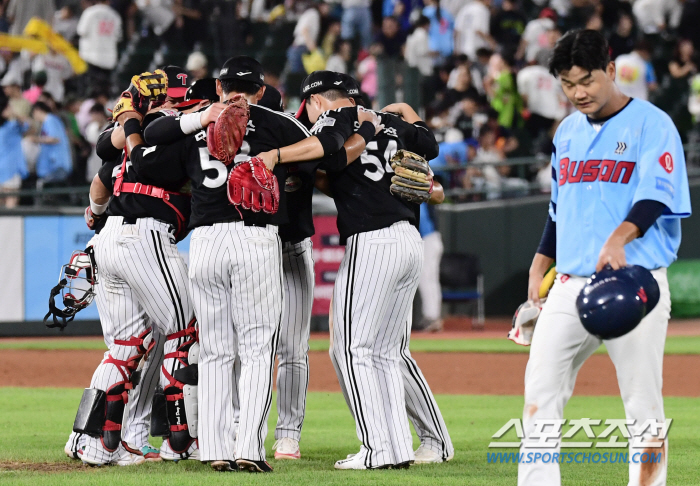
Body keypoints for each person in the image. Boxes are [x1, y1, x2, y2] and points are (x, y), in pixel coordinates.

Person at [144, 60, 377, 473]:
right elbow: (329, 151)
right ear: (261, 88)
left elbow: (150, 144)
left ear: (219, 85)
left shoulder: (197, 120)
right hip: (254, 238)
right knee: (256, 350)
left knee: (216, 350)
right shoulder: (275, 122)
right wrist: (359, 124)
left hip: (207, 241)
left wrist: (195, 121)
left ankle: (215, 447)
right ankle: (248, 448)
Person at [520, 30, 691, 486]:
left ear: (611, 71)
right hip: (570, 283)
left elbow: (656, 197)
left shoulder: (653, 125)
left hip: (634, 279)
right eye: (567, 83)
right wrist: (541, 258)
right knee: (540, 391)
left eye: (587, 80)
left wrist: (618, 238)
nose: (578, 92)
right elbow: (559, 208)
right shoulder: (566, 132)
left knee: (641, 403)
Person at [77, 0, 123, 92]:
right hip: (108, 59)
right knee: (103, 91)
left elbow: (81, 31)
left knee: (89, 90)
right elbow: (119, 37)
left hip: (90, 57)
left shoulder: (90, 12)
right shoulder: (115, 16)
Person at [29, 101, 72, 186]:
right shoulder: (46, 123)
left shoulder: (50, 119)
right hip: (51, 165)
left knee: (46, 186)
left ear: (38, 110)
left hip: (57, 164)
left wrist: (35, 139)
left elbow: (55, 139)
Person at [0, 99, 28, 208]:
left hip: (2, 170)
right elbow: (28, 125)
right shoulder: (11, 126)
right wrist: (14, 114)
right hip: (11, 169)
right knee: (11, 200)